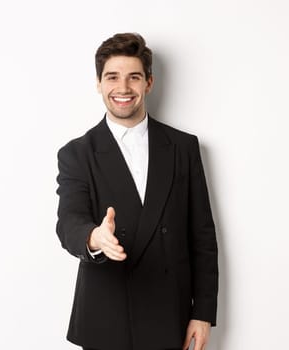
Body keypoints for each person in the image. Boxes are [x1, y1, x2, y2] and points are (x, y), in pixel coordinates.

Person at [55, 33, 219, 350]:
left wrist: (203, 313)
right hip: (107, 316)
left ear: (149, 83)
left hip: (170, 314)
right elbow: (69, 221)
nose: (123, 88)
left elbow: (202, 235)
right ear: (99, 83)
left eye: (134, 77)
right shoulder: (77, 153)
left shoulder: (183, 147)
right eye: (112, 77)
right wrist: (94, 237)